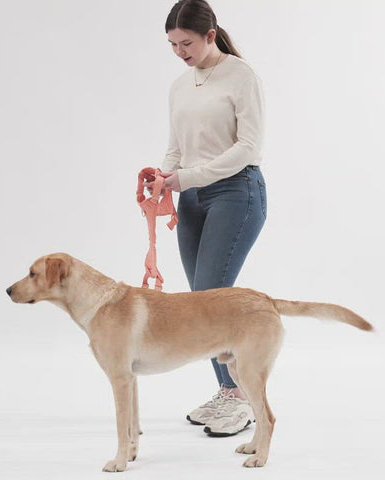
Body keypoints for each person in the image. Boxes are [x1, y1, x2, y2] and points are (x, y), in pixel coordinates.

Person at [160, 0, 267, 437]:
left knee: (211, 299)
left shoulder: (241, 76)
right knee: (199, 301)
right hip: (192, 198)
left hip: (235, 193)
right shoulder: (180, 85)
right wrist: (163, 176)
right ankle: (227, 392)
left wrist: (187, 177)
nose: (179, 51)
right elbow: (175, 146)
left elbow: (248, 147)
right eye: (171, 44)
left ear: (210, 34)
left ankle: (242, 400)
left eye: (186, 42)